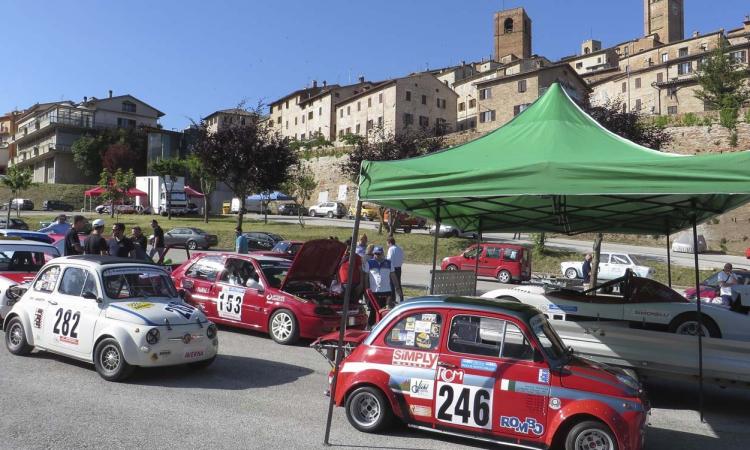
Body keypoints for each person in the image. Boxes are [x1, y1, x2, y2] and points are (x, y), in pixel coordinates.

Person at [364, 246, 402, 326]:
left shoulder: (388, 263)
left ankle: (383, 327)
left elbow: (393, 276)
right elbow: (366, 277)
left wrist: (397, 288)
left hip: (386, 291)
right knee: (374, 311)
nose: (377, 255)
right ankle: (369, 327)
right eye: (375, 254)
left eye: (379, 254)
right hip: (374, 292)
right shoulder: (369, 263)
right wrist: (366, 289)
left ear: (382, 254)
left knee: (385, 311)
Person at [339, 238, 363, 303]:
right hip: (342, 284)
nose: (347, 250)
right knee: (342, 303)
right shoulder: (341, 257)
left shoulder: (357, 257)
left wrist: (361, 284)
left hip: (354, 284)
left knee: (353, 303)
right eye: (346, 248)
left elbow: (361, 271)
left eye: (348, 248)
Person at [386, 236, 404, 301]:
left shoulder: (391, 249)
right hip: (399, 268)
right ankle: (401, 298)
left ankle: (393, 299)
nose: (387, 245)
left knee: (392, 284)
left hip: (392, 269)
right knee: (398, 283)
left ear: (389, 242)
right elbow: (402, 258)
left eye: (387, 243)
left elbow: (389, 259)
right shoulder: (400, 248)